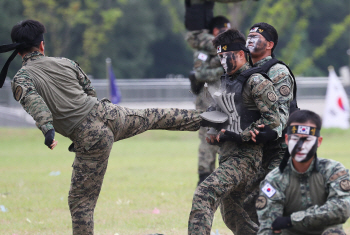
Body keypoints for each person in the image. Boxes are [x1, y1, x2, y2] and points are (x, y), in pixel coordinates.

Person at [1, 19, 204, 235]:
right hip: (108, 114)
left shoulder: (22, 78)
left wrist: (48, 130)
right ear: (42, 45)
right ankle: (206, 118)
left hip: (90, 137)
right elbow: (88, 89)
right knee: (153, 116)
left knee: (81, 204)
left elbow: (35, 103)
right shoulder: (65, 62)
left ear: (19, 51)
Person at [188, 28, 280, 235]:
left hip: (245, 158)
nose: (221, 61)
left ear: (240, 54)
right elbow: (214, 114)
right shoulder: (226, 82)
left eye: (224, 56)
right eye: (219, 57)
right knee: (233, 215)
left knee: (204, 193)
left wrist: (240, 135)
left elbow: (273, 121)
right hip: (228, 156)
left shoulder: (256, 81)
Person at [257, 109, 350, 235]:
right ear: (286, 139)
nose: (300, 146)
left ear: (319, 142)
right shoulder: (274, 180)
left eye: (307, 140)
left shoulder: (333, 171)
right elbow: (269, 226)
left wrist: (292, 220)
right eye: (295, 138)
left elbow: (342, 209)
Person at [241, 22, 298, 225]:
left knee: (271, 197)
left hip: (278, 148)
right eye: (249, 36)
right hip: (255, 148)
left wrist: (271, 131)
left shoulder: (277, 71)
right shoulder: (243, 70)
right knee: (246, 203)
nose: (250, 40)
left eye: (256, 37)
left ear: (269, 45)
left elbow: (282, 111)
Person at [185, 15, 231, 185]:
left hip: (225, 100)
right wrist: (223, 68)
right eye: (221, 30)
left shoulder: (229, 50)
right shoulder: (203, 51)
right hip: (207, 100)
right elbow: (200, 73)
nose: (224, 33)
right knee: (207, 138)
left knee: (226, 137)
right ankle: (204, 176)